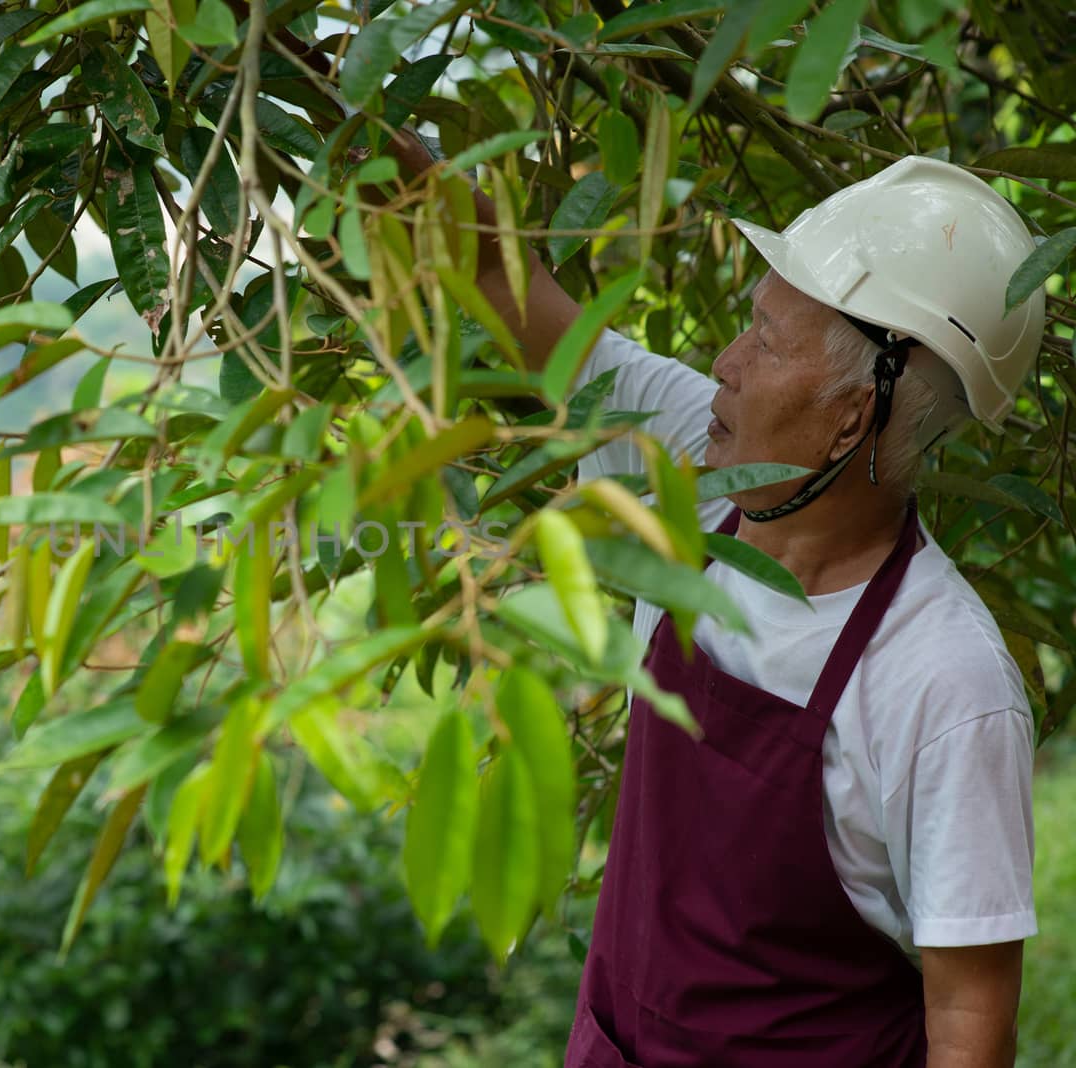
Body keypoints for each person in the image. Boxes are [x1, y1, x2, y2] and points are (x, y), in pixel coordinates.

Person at [382, 137, 1043, 1065]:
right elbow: (508, 291)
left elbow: (971, 1017)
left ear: (857, 412)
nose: (727, 362)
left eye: (768, 341)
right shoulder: (692, 461)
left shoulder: (944, 677)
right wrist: (352, 129)